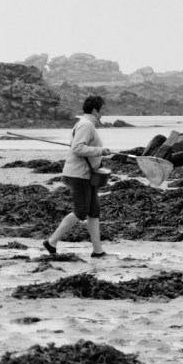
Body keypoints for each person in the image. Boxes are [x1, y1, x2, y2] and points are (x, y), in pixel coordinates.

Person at [44, 95, 113, 258]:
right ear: (95, 110)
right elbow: (78, 148)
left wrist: (98, 157)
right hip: (78, 175)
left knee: (94, 212)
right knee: (81, 212)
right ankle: (51, 242)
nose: (103, 114)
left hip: (86, 175)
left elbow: (80, 147)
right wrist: (100, 151)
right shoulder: (86, 125)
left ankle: (98, 251)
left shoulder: (86, 124)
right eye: (102, 110)